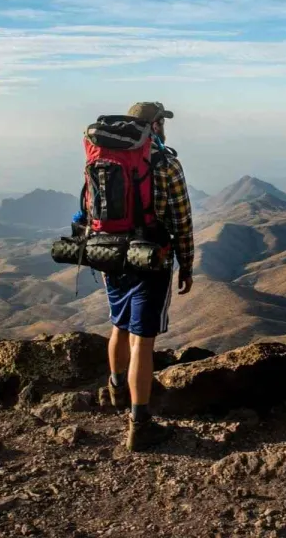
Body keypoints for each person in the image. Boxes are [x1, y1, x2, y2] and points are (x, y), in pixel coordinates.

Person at [105, 101, 194, 452]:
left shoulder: (107, 158)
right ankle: (140, 424)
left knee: (119, 324)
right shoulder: (165, 162)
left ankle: (116, 390)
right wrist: (186, 263)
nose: (164, 127)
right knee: (143, 339)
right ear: (154, 126)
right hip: (150, 256)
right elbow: (181, 219)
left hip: (110, 254)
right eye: (161, 122)